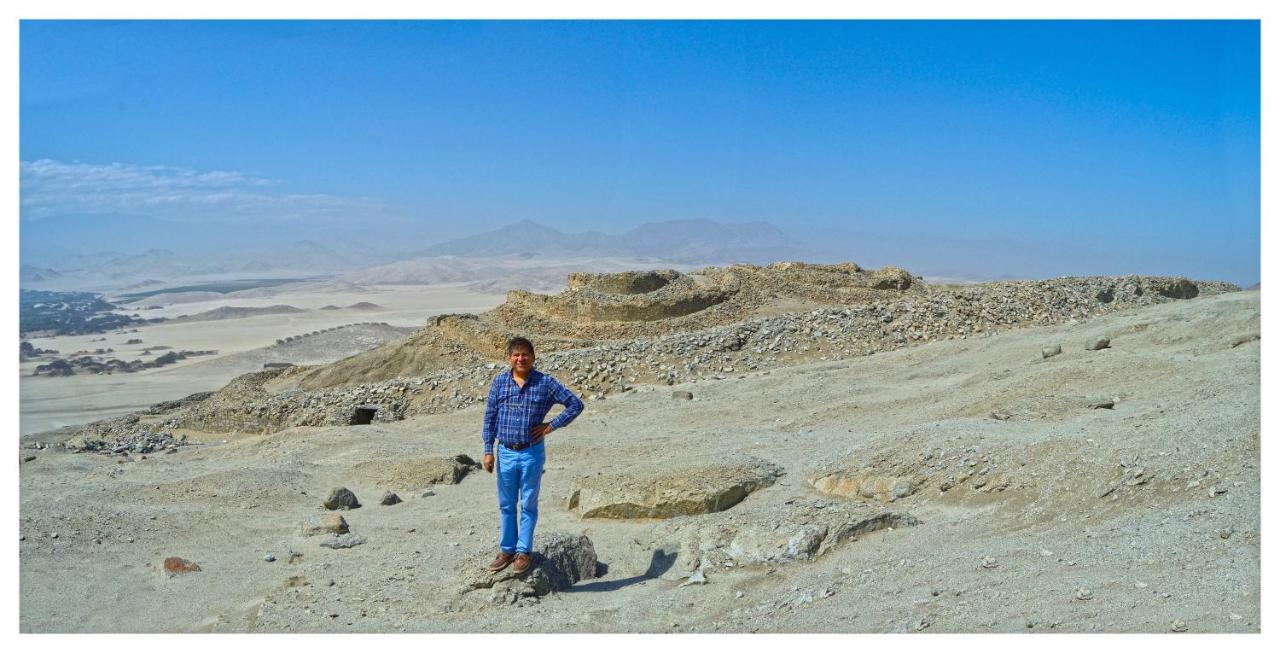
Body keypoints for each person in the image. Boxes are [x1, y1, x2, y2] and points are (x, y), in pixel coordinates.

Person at [482, 336, 584, 574]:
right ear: (509, 358)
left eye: (525, 354)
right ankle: (507, 550)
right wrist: (488, 450)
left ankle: (523, 552)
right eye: (516, 354)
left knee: (528, 503)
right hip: (505, 452)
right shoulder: (500, 383)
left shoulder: (545, 383)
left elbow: (575, 405)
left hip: (531, 453)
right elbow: (490, 417)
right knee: (507, 504)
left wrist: (551, 426)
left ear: (533, 357)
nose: (521, 358)